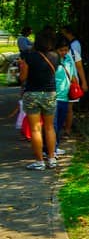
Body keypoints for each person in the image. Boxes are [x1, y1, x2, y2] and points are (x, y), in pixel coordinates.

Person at [18, 30, 58, 169]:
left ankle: (39, 161)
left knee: (35, 129)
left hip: (32, 94)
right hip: (50, 93)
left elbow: (23, 78)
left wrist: (22, 68)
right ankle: (52, 158)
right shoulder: (55, 56)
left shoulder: (28, 56)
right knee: (49, 127)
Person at [60, 25, 88, 138]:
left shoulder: (74, 50)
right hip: (60, 84)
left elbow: (79, 67)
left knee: (69, 108)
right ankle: (58, 128)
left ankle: (67, 129)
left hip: (71, 82)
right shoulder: (55, 54)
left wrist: (83, 82)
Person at [53, 35, 79, 156]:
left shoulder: (69, 59)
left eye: (66, 49)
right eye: (61, 50)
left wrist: (75, 86)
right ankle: (49, 148)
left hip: (65, 96)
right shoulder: (52, 60)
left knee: (59, 124)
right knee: (51, 125)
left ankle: (55, 146)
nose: (64, 52)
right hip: (53, 96)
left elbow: (73, 75)